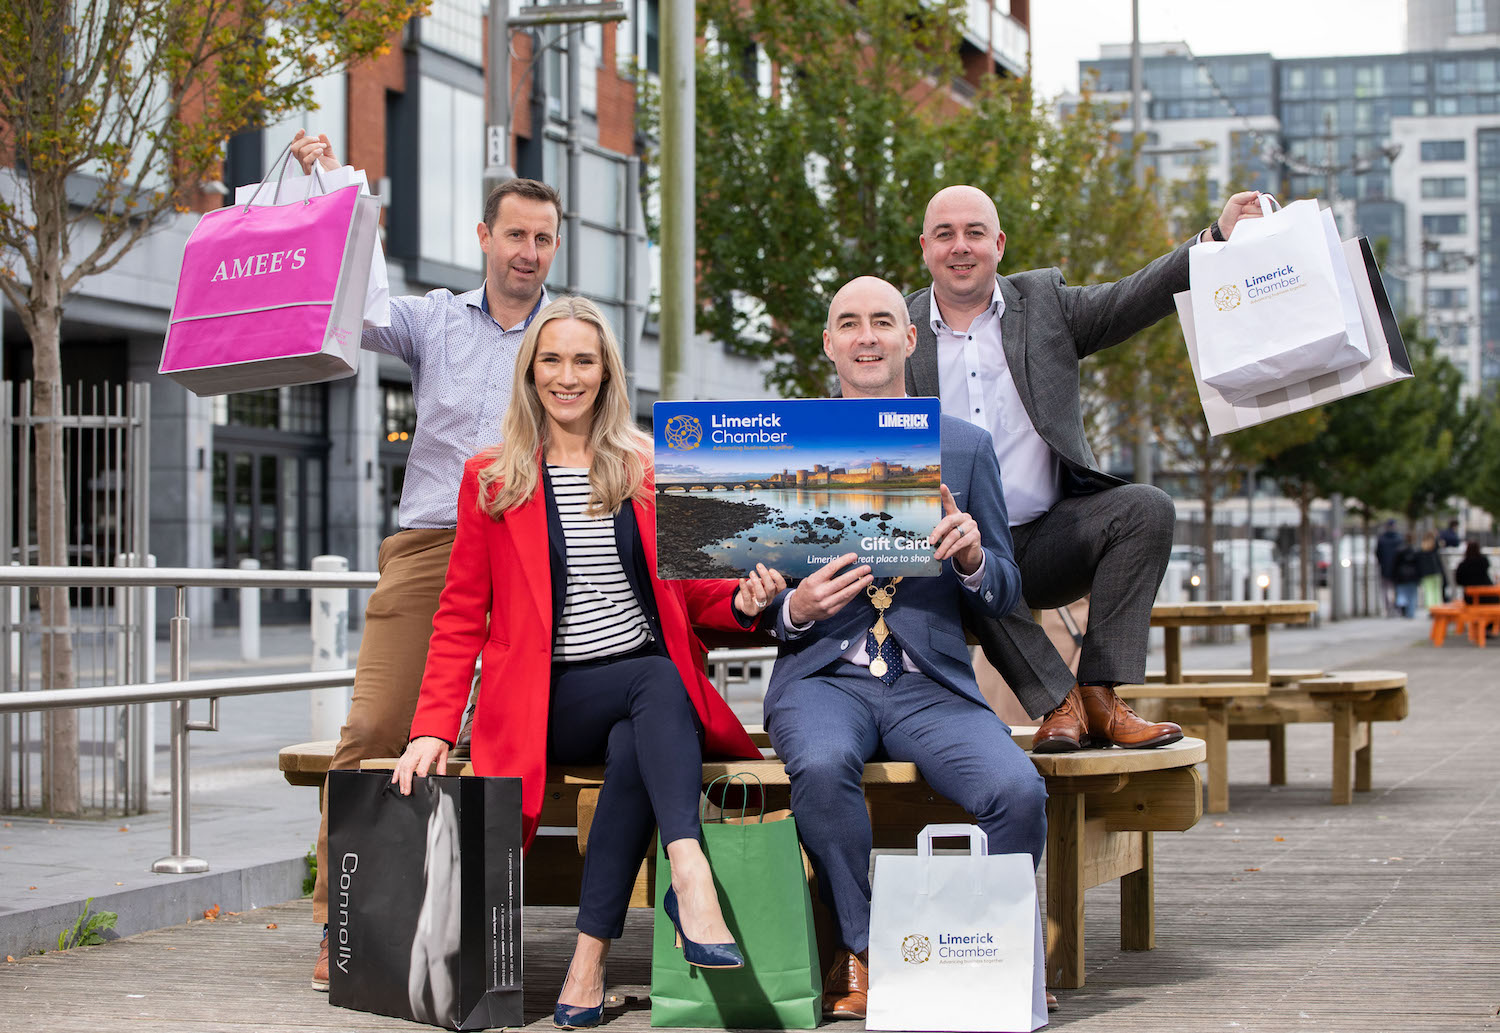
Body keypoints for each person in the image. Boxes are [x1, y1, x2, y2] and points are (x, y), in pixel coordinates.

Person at [391, 296, 777, 1029]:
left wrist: (747, 601)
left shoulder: (646, 469)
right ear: (530, 372)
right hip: (549, 697)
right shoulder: (491, 479)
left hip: (640, 701)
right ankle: (690, 872)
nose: (567, 376)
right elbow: (459, 615)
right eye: (552, 360)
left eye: (584, 361)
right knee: (658, 681)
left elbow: (696, 595)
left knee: (643, 729)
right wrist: (432, 725)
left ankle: (588, 958)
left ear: (607, 374)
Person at [289, 130, 566, 989]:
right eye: (515, 234)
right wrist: (335, 188)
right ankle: (345, 923)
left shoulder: (568, 334)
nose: (528, 251)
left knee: (504, 742)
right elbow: (357, 307)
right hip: (432, 547)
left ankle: (464, 921)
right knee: (374, 730)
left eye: (543, 238)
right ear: (484, 237)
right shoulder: (435, 318)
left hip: (533, 551)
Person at [760, 276, 1044, 1019]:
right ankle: (861, 953)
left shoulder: (965, 446)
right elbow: (746, 594)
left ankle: (994, 949)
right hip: (824, 672)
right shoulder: (780, 442)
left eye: (882, 321)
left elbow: (1008, 589)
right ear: (829, 344)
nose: (866, 336)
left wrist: (975, 558)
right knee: (820, 766)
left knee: (1017, 790)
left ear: (909, 338)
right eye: (848, 323)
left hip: (930, 681)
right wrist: (792, 605)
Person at [903, 184, 1264, 751]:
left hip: (1049, 537)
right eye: (945, 235)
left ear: (998, 243)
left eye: (974, 233)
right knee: (974, 562)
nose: (960, 247)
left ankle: (1097, 695)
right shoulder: (894, 330)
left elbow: (1135, 296)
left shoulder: (1045, 305)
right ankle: (1057, 705)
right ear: (925, 249)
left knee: (1145, 509)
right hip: (944, 553)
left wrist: (1215, 239)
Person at [1375, 519, 1404, 617]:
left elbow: (1378, 554)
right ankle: (1396, 608)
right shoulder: (1399, 538)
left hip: (1385, 568)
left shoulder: (1382, 539)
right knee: (1396, 589)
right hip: (1397, 569)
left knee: (1385, 590)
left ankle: (1388, 609)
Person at [1392, 535, 1423, 618]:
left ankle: (1404, 610)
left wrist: (1394, 576)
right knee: (1412, 596)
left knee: (1402, 594)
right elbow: (1419, 565)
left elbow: (1395, 565)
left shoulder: (1399, 550)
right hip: (1413, 575)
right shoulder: (1416, 551)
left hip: (1401, 575)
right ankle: (1411, 613)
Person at [1416, 532, 1448, 610]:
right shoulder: (1434, 550)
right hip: (1436, 573)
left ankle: (1431, 609)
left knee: (1428, 592)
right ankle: (1438, 608)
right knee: (1437, 592)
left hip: (1426, 574)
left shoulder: (1421, 552)